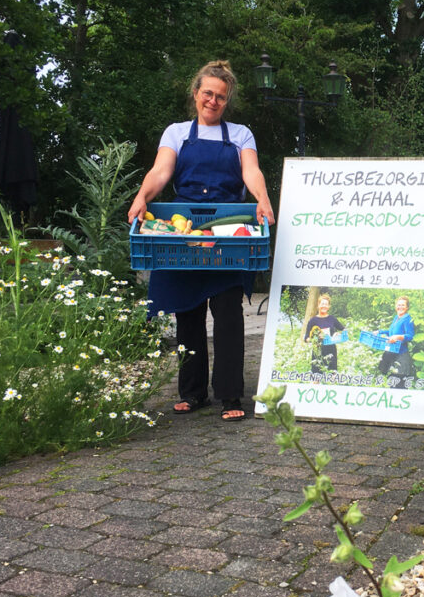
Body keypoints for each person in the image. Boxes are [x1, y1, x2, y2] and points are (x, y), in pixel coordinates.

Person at [127, 60, 275, 422]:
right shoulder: (176, 132)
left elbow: (250, 170)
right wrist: (142, 195)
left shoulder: (240, 134)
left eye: (220, 97)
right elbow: (162, 170)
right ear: (196, 94)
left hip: (227, 231)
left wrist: (263, 198)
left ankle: (229, 395)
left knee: (227, 313)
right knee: (187, 313)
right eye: (207, 93)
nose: (213, 101)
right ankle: (192, 393)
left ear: (227, 101)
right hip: (185, 228)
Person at [377, 295, 416, 389]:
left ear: (407, 307)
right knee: (391, 382)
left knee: (399, 384)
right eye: (399, 305)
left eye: (403, 305)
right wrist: (379, 332)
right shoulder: (396, 318)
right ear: (396, 306)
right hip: (392, 354)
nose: (400, 307)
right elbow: (391, 332)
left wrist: (398, 337)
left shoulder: (408, 319)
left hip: (401, 356)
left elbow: (410, 336)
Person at [304, 293, 345, 375]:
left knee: (332, 376)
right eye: (322, 304)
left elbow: (344, 330)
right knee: (316, 378)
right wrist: (315, 339)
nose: (324, 306)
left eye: (326, 304)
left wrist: (338, 334)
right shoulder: (313, 320)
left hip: (331, 352)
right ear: (318, 305)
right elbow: (306, 338)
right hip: (317, 353)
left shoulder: (332, 319)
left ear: (329, 306)